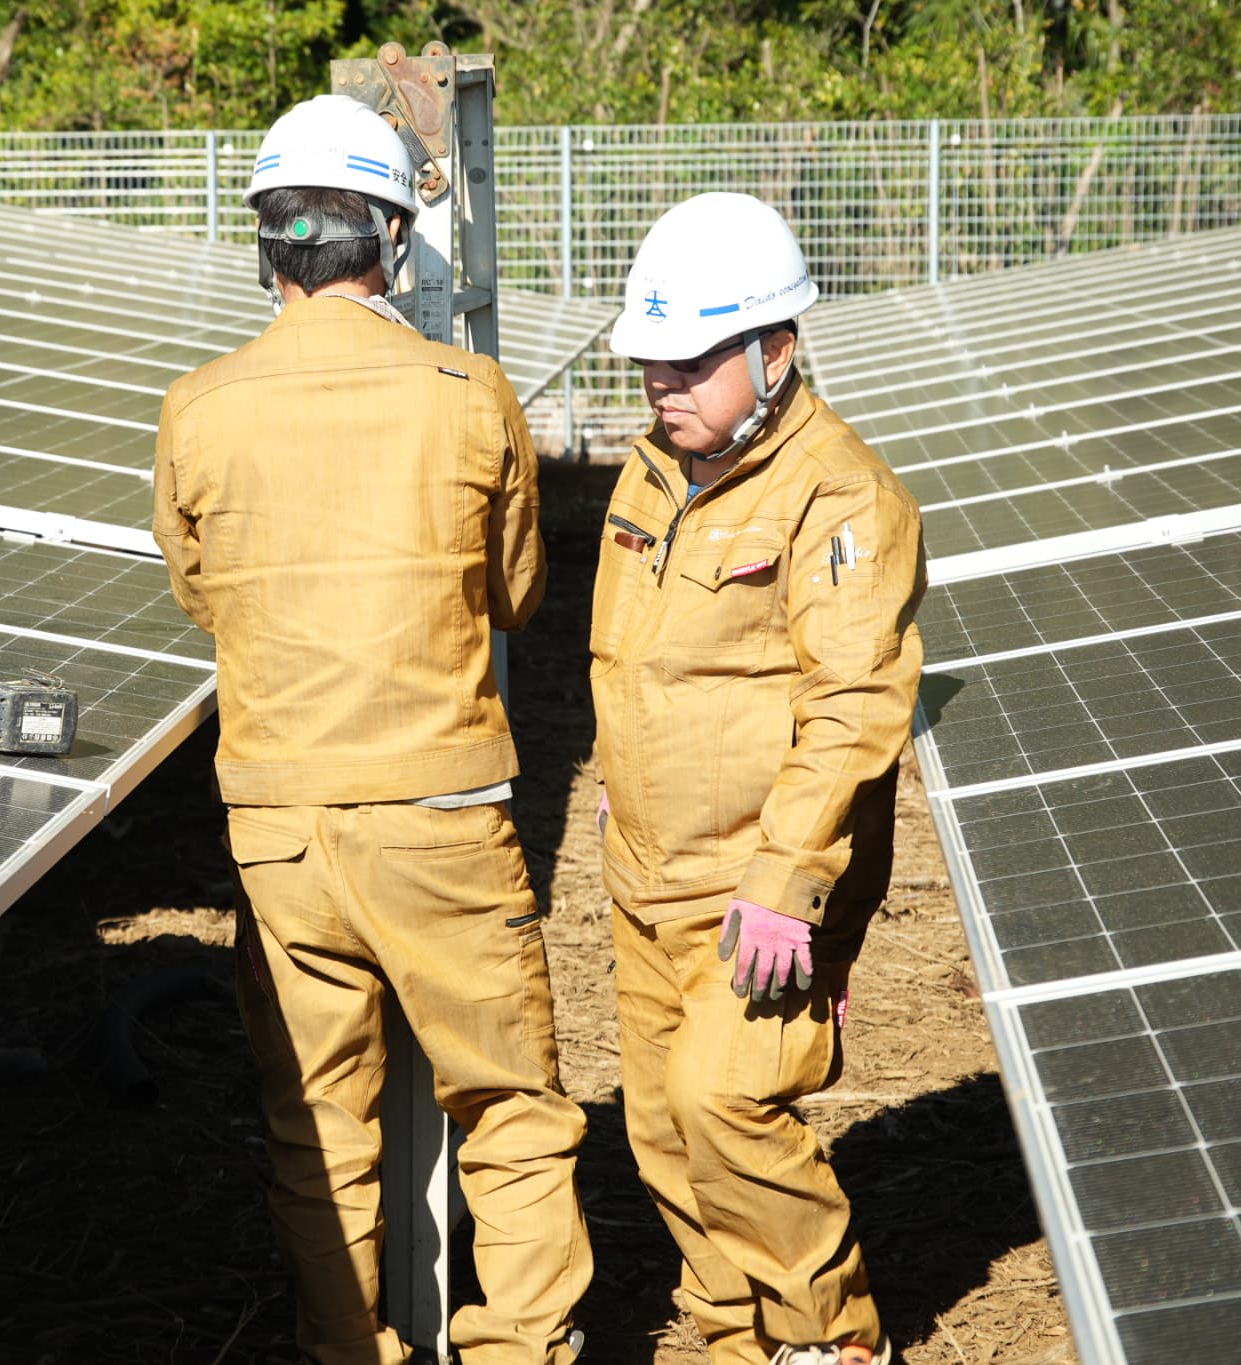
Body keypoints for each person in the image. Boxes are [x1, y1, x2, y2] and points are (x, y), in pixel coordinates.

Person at [153, 94, 591, 1365]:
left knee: (315, 1125)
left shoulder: (200, 406)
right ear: (392, 240)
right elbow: (514, 594)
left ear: (266, 245)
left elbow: (199, 596)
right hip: (441, 816)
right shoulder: (468, 392)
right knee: (506, 1105)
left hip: (280, 826)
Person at [590, 192, 925, 1365]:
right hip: (647, 868)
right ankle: (733, 1338)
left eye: (689, 362)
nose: (662, 385)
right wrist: (622, 781)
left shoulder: (838, 497)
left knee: (726, 1104)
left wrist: (785, 882)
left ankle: (831, 1341)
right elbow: (633, 656)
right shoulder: (649, 471)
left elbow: (851, 708)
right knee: (658, 1128)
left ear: (773, 351)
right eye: (649, 362)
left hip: (756, 887)